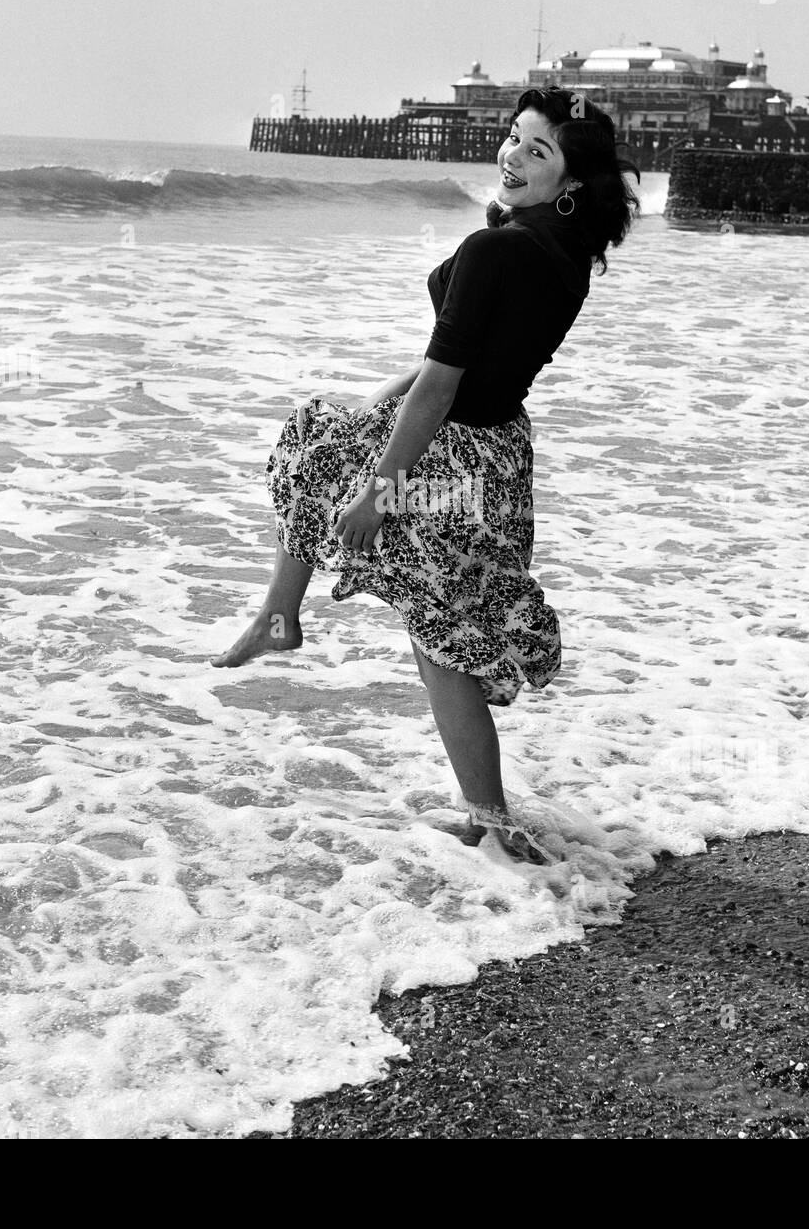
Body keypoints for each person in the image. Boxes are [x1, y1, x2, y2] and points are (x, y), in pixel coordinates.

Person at [213, 87, 640, 864]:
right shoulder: (564, 256)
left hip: (449, 451)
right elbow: (462, 361)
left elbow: (444, 380)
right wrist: (376, 410)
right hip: (499, 456)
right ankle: (489, 818)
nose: (512, 155)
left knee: (322, 455)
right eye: (514, 139)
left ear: (570, 184)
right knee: (429, 620)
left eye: (536, 151)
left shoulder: (496, 249)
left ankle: (493, 822)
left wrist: (381, 492)